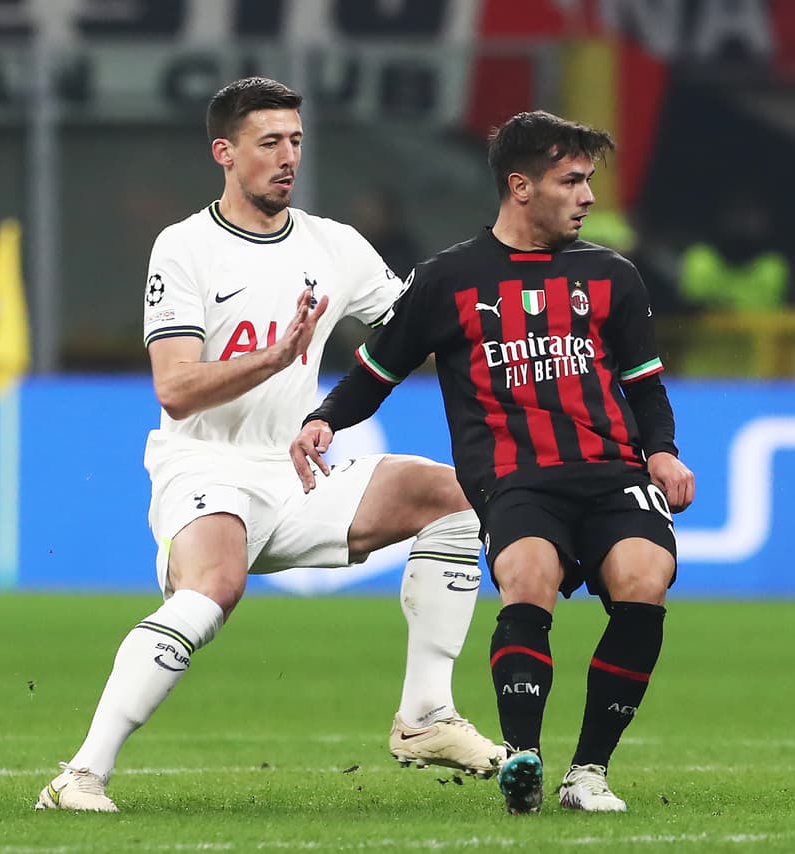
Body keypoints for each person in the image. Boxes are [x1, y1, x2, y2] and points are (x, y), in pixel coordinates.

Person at [35, 77, 503, 813]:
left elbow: (421, 331)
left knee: (456, 498)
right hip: (205, 465)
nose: (287, 157)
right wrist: (273, 359)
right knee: (213, 590)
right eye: (268, 143)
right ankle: (80, 775)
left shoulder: (335, 246)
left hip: (296, 470)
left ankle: (426, 716)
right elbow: (176, 388)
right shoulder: (185, 246)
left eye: (295, 142)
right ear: (224, 152)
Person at [291, 111, 695, 815]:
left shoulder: (612, 276)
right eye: (571, 181)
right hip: (515, 479)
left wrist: (660, 450)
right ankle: (526, 762)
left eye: (588, 181)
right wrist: (326, 417)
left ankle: (589, 772)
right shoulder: (448, 279)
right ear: (521, 187)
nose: (588, 197)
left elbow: (644, 385)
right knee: (528, 577)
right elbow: (378, 368)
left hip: (611, 472)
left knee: (646, 579)